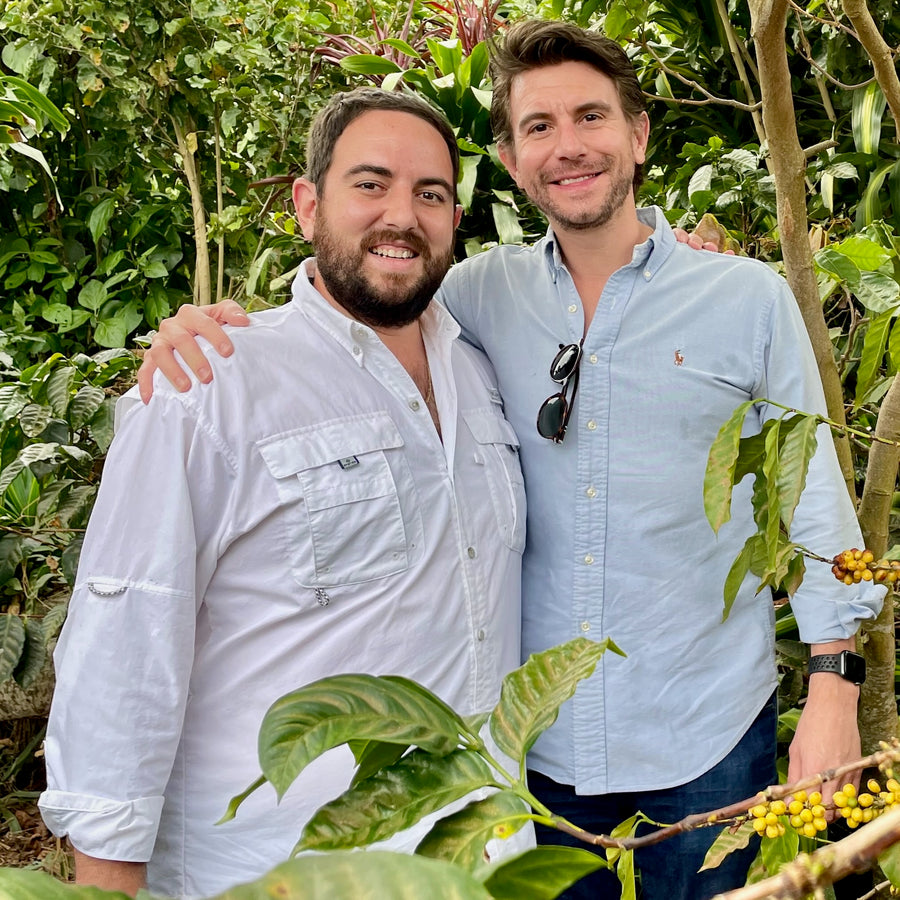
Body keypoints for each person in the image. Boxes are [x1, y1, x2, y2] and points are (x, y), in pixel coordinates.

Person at [133, 20, 884, 900]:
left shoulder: (745, 300)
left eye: (591, 117)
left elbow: (815, 502)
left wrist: (833, 692)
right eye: (538, 127)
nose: (568, 148)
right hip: (532, 760)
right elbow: (363, 308)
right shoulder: (476, 295)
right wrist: (223, 335)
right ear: (511, 157)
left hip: (708, 733)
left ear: (638, 136)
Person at [37, 88, 530, 899]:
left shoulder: (481, 368)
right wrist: (103, 884)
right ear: (308, 205)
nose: (402, 215)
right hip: (270, 874)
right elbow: (125, 645)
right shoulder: (210, 383)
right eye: (370, 184)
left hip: (476, 862)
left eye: (430, 194)